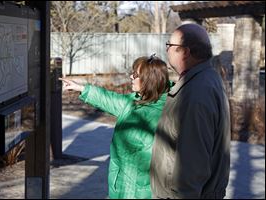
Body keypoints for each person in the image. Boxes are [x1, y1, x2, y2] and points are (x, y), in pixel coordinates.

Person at [59, 55, 171, 199]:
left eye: (136, 75)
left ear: (150, 79)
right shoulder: (135, 102)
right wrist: (81, 88)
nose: (131, 76)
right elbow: (109, 99)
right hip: (122, 187)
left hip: (142, 192)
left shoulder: (160, 114)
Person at [150, 23, 231, 199]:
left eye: (170, 45)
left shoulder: (196, 92)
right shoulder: (205, 79)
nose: (167, 50)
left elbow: (193, 164)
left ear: (185, 52)